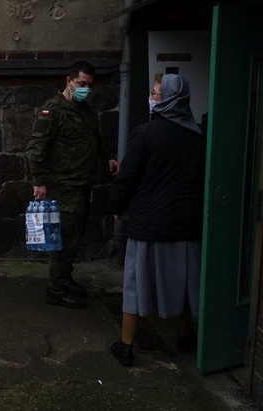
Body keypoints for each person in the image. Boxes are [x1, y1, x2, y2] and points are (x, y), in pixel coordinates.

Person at [108, 74, 205, 367]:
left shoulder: (147, 133)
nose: (152, 97)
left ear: (170, 99)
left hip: (149, 224)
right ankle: (184, 335)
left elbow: (127, 177)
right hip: (186, 224)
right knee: (185, 282)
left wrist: (116, 207)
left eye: (156, 93)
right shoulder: (199, 135)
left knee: (136, 284)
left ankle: (126, 346)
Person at [26, 61, 119, 309]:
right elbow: (36, 150)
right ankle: (56, 290)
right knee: (64, 240)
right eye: (81, 84)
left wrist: (109, 155)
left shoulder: (86, 110)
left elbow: (96, 137)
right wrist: (40, 183)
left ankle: (65, 280)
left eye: (89, 85)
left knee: (74, 239)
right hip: (62, 187)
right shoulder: (52, 111)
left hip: (81, 186)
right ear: (69, 81)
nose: (86, 89)